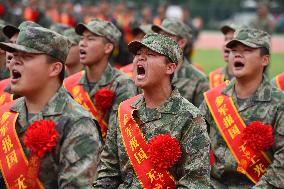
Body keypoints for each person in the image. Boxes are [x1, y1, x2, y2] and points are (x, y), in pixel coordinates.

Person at [94, 33, 210, 188]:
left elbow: (194, 183)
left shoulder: (190, 118)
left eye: (150, 54)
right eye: (138, 54)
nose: (140, 59)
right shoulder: (125, 110)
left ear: (170, 67)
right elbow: (108, 172)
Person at [0, 26, 102, 188]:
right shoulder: (5, 113)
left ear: (54, 68)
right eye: (15, 55)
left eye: (27, 56)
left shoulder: (77, 123)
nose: (14, 61)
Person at [200, 27, 284, 188]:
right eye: (233, 50)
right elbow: (196, 149)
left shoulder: (279, 103)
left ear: (264, 60)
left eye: (247, 50)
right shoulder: (214, 99)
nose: (237, 55)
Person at [64, 19, 136, 141]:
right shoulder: (70, 84)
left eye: (90, 39)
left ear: (108, 48)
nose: (82, 43)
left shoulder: (122, 84)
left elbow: (119, 136)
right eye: (82, 38)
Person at [152, 18, 209, 107]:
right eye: (160, 35)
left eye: (167, 36)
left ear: (182, 42)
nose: (161, 41)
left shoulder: (199, 80)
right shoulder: (150, 72)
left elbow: (202, 117)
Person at [209, 23, 236, 89]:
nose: (226, 44)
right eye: (225, 39)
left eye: (232, 39)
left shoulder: (251, 79)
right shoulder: (215, 76)